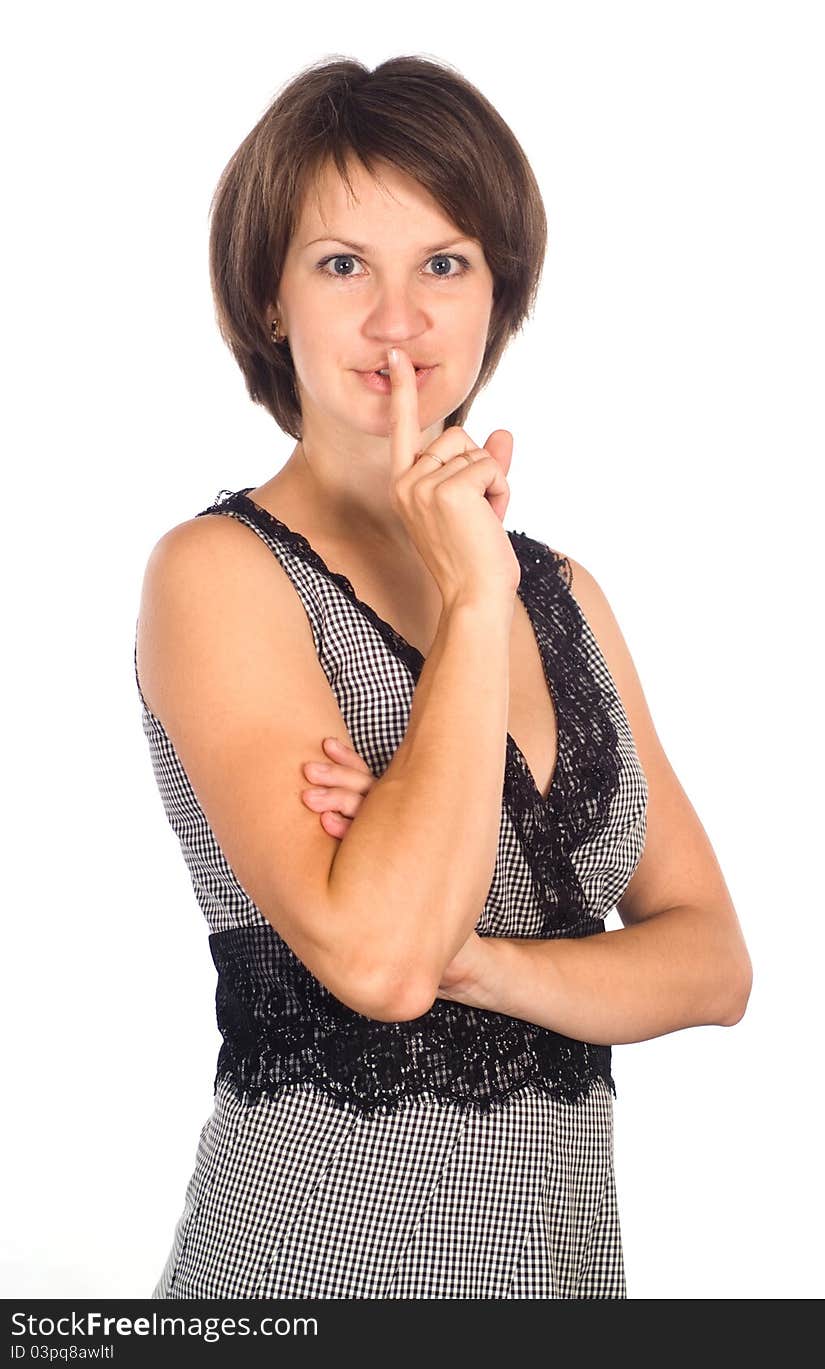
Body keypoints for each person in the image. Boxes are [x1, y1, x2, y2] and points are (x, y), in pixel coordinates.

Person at [134, 54, 752, 1301]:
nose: (397, 321)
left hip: (565, 1280)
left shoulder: (567, 596)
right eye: (343, 263)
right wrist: (473, 599)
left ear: (496, 293)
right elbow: (378, 964)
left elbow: (712, 964)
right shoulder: (219, 575)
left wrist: (487, 962)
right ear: (269, 295)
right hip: (305, 1275)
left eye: (445, 263)